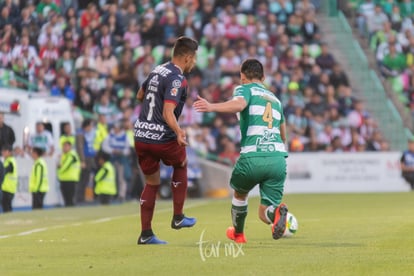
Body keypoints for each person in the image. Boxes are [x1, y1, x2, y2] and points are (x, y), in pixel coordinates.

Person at [193, 59, 289, 243]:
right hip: (277, 158)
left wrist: (212, 106)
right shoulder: (276, 100)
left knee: (240, 194)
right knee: (264, 212)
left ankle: (238, 234)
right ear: (264, 77)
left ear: (242, 77)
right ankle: (277, 213)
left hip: (253, 155)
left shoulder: (244, 89)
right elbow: (283, 134)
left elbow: (238, 104)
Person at [134, 36, 199, 245]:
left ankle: (146, 234)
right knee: (181, 162)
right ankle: (178, 217)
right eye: (194, 58)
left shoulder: (157, 70)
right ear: (188, 58)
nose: (195, 63)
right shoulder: (178, 79)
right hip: (162, 137)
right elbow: (168, 111)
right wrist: (179, 131)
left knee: (151, 182)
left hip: (142, 135)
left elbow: (139, 95)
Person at [101, 120, 131, 202]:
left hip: (121, 159)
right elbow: (104, 147)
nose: (115, 129)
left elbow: (127, 149)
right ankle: (113, 194)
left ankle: (122, 195)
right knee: (113, 178)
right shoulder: (110, 136)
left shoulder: (125, 136)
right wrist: (112, 150)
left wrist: (121, 152)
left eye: (117, 128)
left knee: (122, 178)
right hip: (112, 159)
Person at [57, 141, 81, 207]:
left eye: (66, 146)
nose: (64, 148)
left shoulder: (72, 155)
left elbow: (65, 166)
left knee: (70, 199)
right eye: (63, 146)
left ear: (70, 147)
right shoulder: (64, 155)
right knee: (66, 199)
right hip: (64, 179)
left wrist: (58, 171)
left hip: (71, 179)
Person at [1, 144, 17, 212]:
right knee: (6, 207)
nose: (3, 152)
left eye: (5, 151)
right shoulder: (8, 160)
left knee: (7, 208)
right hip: (7, 188)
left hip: (8, 188)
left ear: (10, 152)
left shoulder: (10, 161)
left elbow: (5, 170)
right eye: (3, 151)